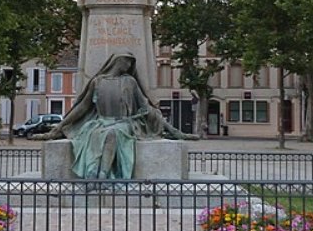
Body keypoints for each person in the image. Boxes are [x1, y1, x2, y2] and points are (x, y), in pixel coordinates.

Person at [33, 53, 194, 179]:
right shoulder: (98, 81)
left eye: (131, 62)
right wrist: (59, 128)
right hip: (100, 122)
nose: (130, 65)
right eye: (127, 61)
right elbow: (82, 107)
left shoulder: (130, 82)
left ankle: (103, 173)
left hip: (124, 123)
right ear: (118, 61)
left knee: (112, 133)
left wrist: (172, 131)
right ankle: (92, 173)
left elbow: (146, 107)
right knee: (92, 135)